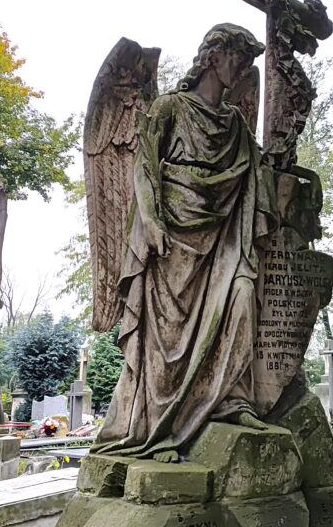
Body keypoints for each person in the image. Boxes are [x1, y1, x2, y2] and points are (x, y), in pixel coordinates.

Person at [95, 23, 277, 461]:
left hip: (225, 240)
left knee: (243, 296)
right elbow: (143, 166)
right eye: (238, 58)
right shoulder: (169, 108)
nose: (243, 69)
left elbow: (260, 173)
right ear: (214, 57)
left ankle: (232, 401)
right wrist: (151, 221)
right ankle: (162, 427)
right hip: (173, 236)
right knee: (168, 338)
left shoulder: (235, 123)